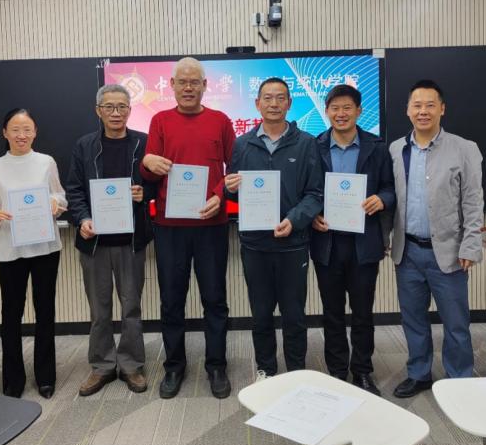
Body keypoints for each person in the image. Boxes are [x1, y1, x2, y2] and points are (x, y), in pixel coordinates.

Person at [140, 57, 235, 399]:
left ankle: (216, 366)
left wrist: (221, 195)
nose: (189, 87)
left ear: (205, 85)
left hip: (211, 225)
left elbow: (235, 169)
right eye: (183, 81)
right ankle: (174, 367)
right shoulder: (160, 121)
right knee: (171, 300)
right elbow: (149, 173)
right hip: (170, 227)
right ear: (172, 85)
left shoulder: (221, 120)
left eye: (195, 81)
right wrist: (146, 162)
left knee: (215, 299)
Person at [389, 79, 484, 398]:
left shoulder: (464, 148)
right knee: (413, 319)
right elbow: (392, 198)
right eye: (417, 105)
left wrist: (471, 244)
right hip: (408, 252)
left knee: (456, 323)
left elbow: (473, 201)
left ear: (442, 109)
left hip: (449, 251)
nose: (423, 111)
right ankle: (419, 373)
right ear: (407, 110)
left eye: (430, 105)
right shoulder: (397, 149)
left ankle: (459, 379)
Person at [224, 77, 323, 381]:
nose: (274, 104)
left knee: (294, 315)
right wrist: (229, 188)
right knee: (261, 314)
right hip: (255, 244)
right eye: (267, 98)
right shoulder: (242, 144)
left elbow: (315, 193)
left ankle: (296, 372)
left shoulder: (306, 143)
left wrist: (294, 219)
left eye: (280, 98)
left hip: (293, 243)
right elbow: (233, 192)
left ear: (289, 103)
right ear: (257, 104)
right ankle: (265, 369)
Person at [66, 84, 154, 396]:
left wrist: (145, 193)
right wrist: (82, 219)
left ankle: (131, 365)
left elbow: (160, 183)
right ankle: (102, 365)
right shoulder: (84, 145)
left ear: (130, 110)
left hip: (131, 240)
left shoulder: (144, 143)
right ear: (98, 111)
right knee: (99, 309)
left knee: (131, 307)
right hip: (95, 242)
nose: (116, 113)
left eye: (121, 107)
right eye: (109, 107)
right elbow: (74, 189)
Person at [310, 84, 395, 396]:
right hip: (327, 242)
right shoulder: (315, 146)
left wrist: (382, 199)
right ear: (327, 111)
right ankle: (336, 370)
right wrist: (313, 215)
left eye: (347, 107)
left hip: (364, 242)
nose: (341, 113)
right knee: (332, 311)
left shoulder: (376, 147)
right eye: (335, 108)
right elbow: (307, 189)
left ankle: (362, 371)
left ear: (359, 111)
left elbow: (390, 187)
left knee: (362, 312)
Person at [0, 108, 67, 399]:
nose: (21, 135)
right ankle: (13, 380)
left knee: (45, 311)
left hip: (44, 248)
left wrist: (55, 203)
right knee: (11, 314)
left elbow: (60, 196)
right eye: (15, 129)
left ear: (35, 132)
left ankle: (46, 377)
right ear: (5, 133)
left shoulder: (46, 162)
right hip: (9, 248)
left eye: (27, 129)